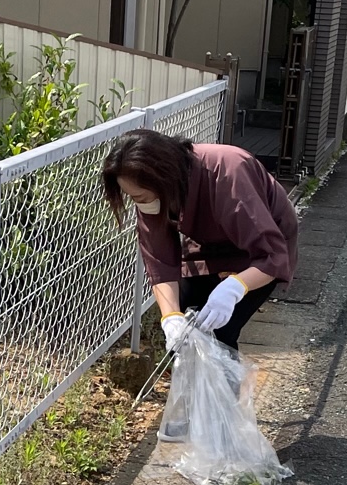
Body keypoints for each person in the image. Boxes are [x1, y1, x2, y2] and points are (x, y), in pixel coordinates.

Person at [101, 128, 299, 355]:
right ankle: (190, 387)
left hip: (262, 247)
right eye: (133, 198)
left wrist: (235, 287)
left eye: (141, 198)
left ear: (166, 179)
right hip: (209, 243)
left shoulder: (228, 172)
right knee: (184, 327)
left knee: (221, 333)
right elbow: (159, 261)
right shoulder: (151, 193)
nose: (140, 205)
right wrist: (171, 317)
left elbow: (272, 255)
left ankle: (223, 389)